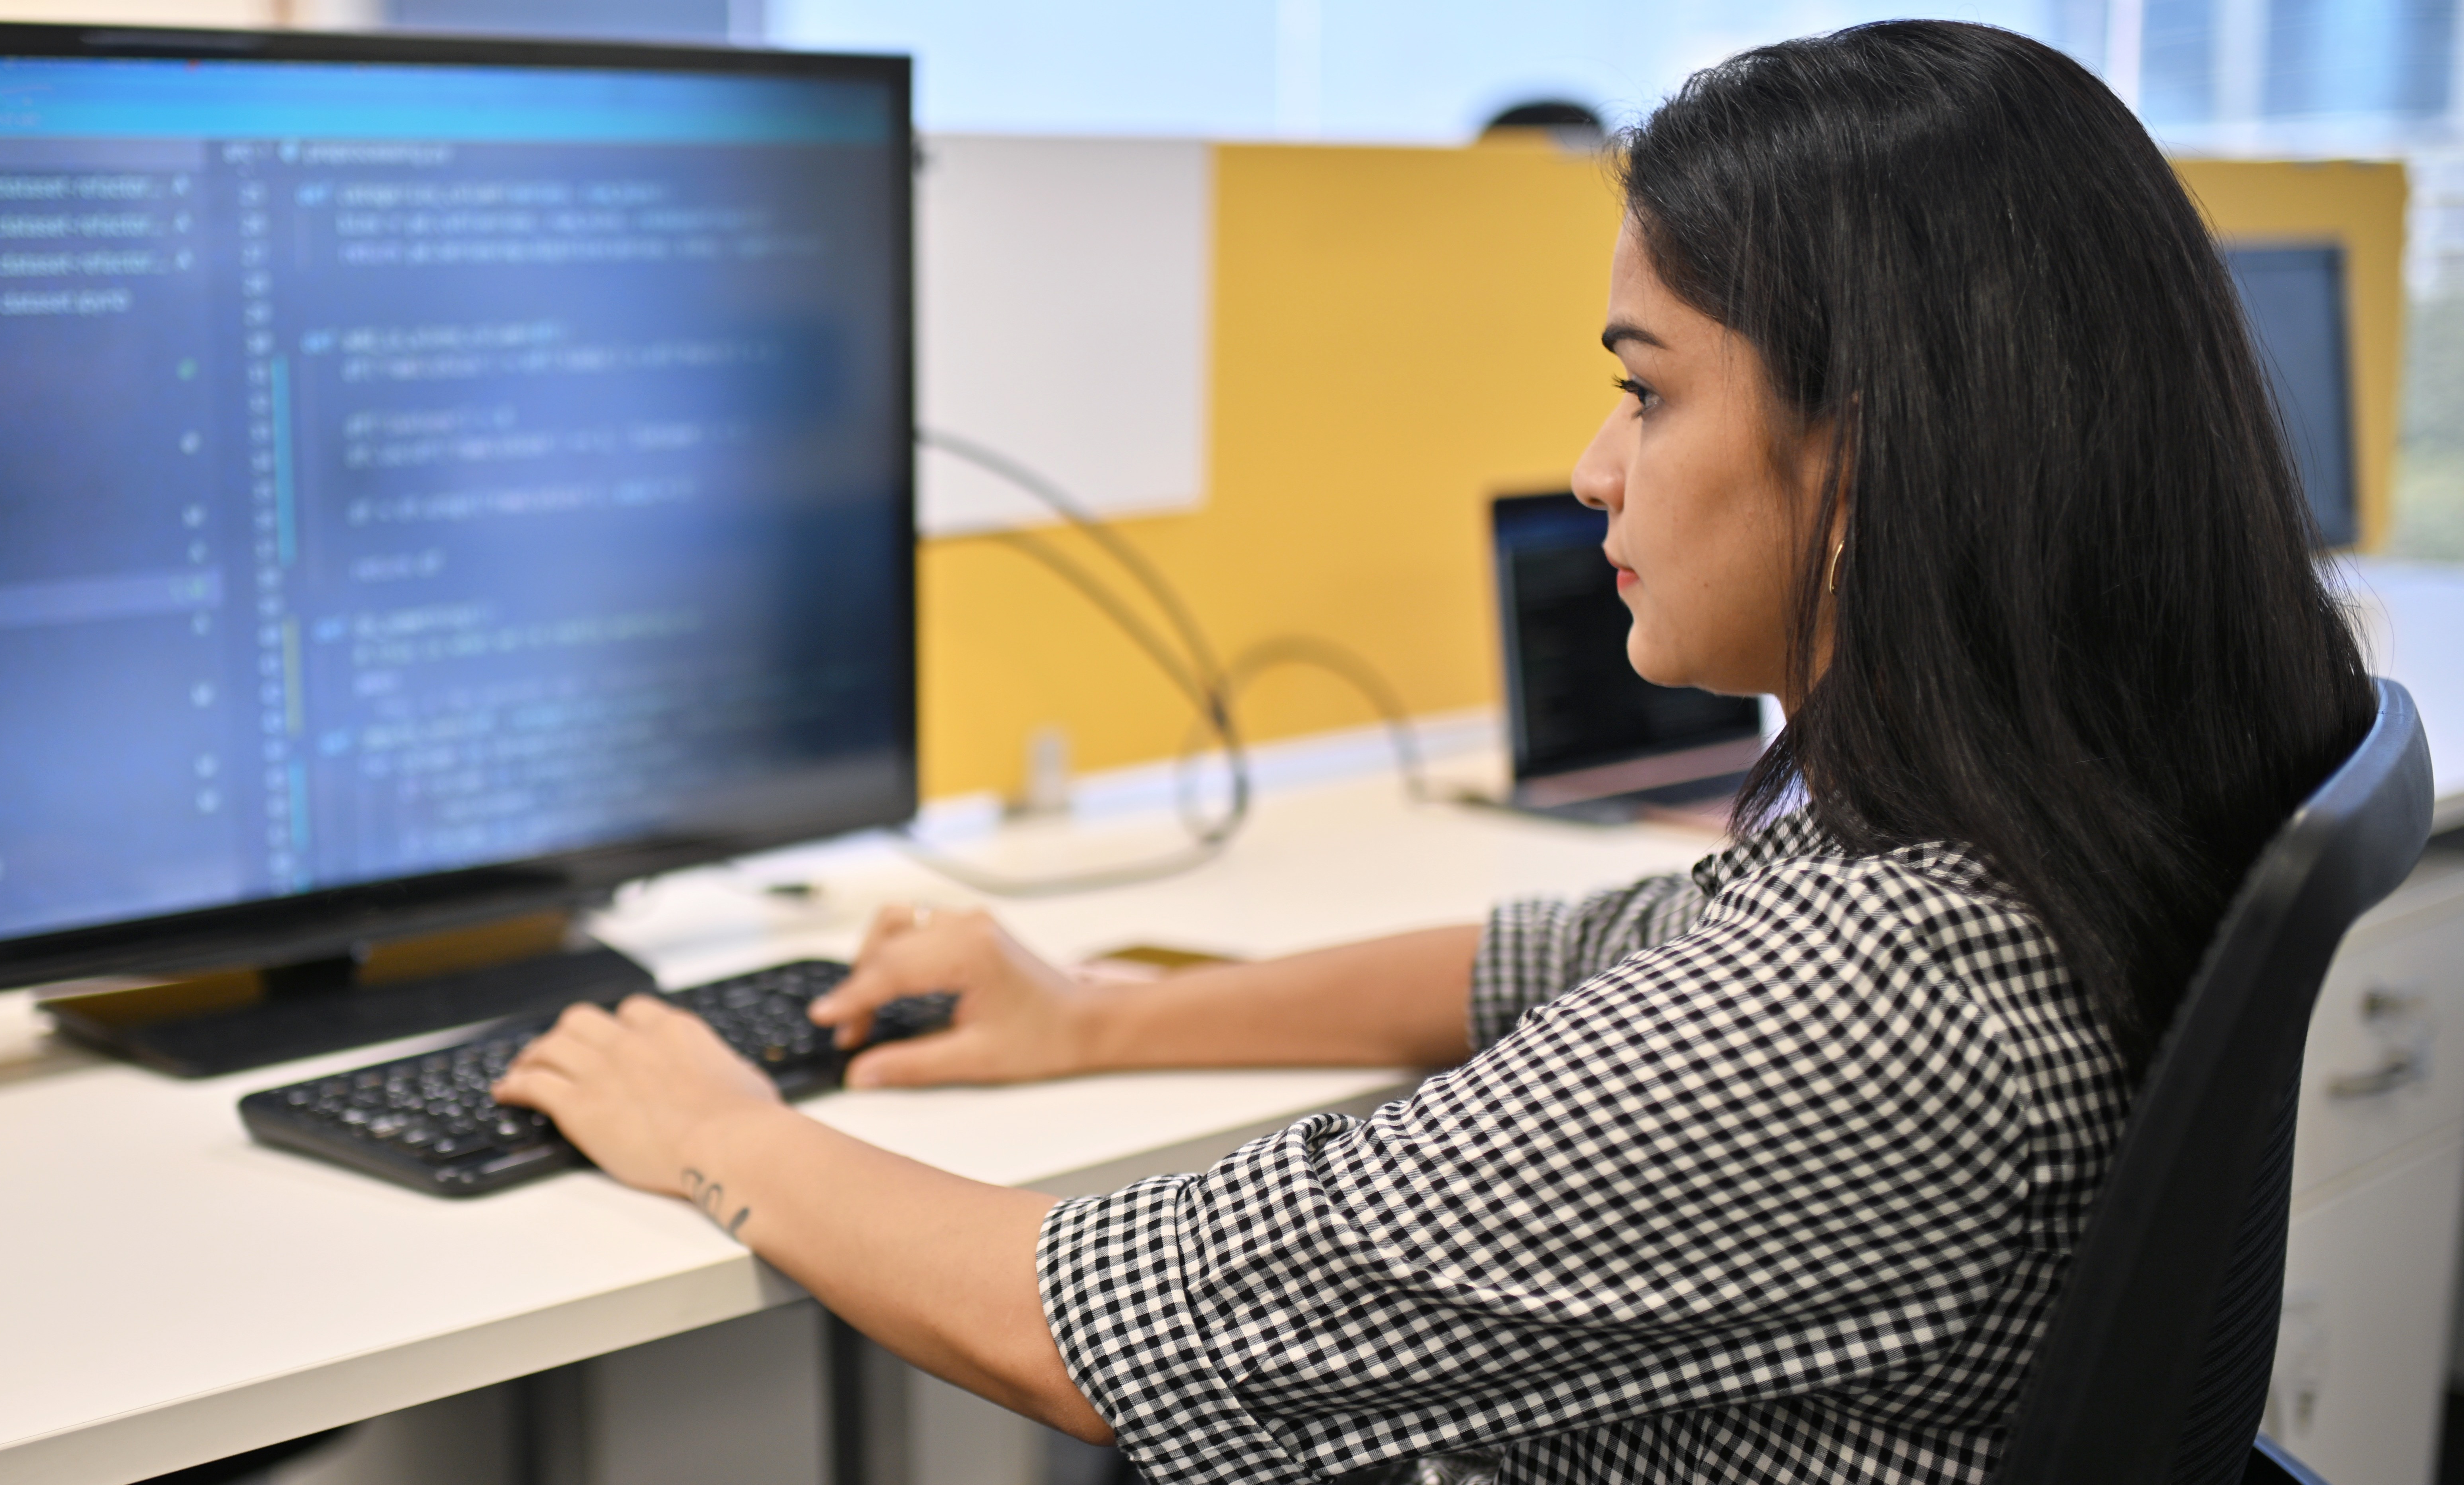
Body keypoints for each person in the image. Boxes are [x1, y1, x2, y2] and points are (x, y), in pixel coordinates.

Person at [492, 20, 2373, 1482]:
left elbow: (1093, 1326)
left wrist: (721, 1136)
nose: (1596, 467)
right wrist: (1096, 1017)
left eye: (1646, 392)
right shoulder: (2064, 795)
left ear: (1871, 455)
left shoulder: (1882, 987)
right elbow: (1560, 959)